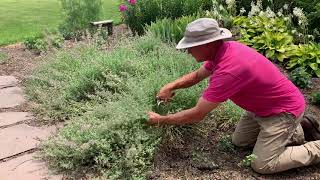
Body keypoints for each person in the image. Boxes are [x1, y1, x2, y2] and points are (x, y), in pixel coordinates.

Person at [146, 18, 320, 174]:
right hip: (261, 108)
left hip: (283, 111)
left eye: (191, 47)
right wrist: (170, 86)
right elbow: (197, 76)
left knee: (262, 165)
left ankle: (313, 146)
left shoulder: (229, 70)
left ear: (207, 44)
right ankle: (299, 129)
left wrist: (161, 120)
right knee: (239, 142)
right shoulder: (223, 51)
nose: (188, 52)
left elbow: (198, 114)